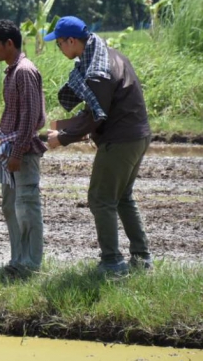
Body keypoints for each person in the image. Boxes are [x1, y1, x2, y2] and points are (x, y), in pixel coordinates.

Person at [44, 16, 152, 273]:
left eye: (59, 44)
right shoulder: (108, 55)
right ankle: (141, 258)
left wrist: (62, 139)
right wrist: (62, 125)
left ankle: (112, 262)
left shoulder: (97, 71)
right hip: (137, 135)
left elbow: (96, 115)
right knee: (123, 197)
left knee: (100, 199)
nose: (59, 49)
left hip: (121, 139)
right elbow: (97, 108)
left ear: (71, 41)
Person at [0, 20, 46, 275]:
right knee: (10, 207)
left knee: (27, 206)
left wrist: (17, 152)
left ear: (9, 44)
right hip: (12, 149)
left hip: (22, 152)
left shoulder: (24, 71)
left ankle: (31, 264)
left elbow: (31, 117)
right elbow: (15, 114)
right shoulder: (13, 71)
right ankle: (17, 260)